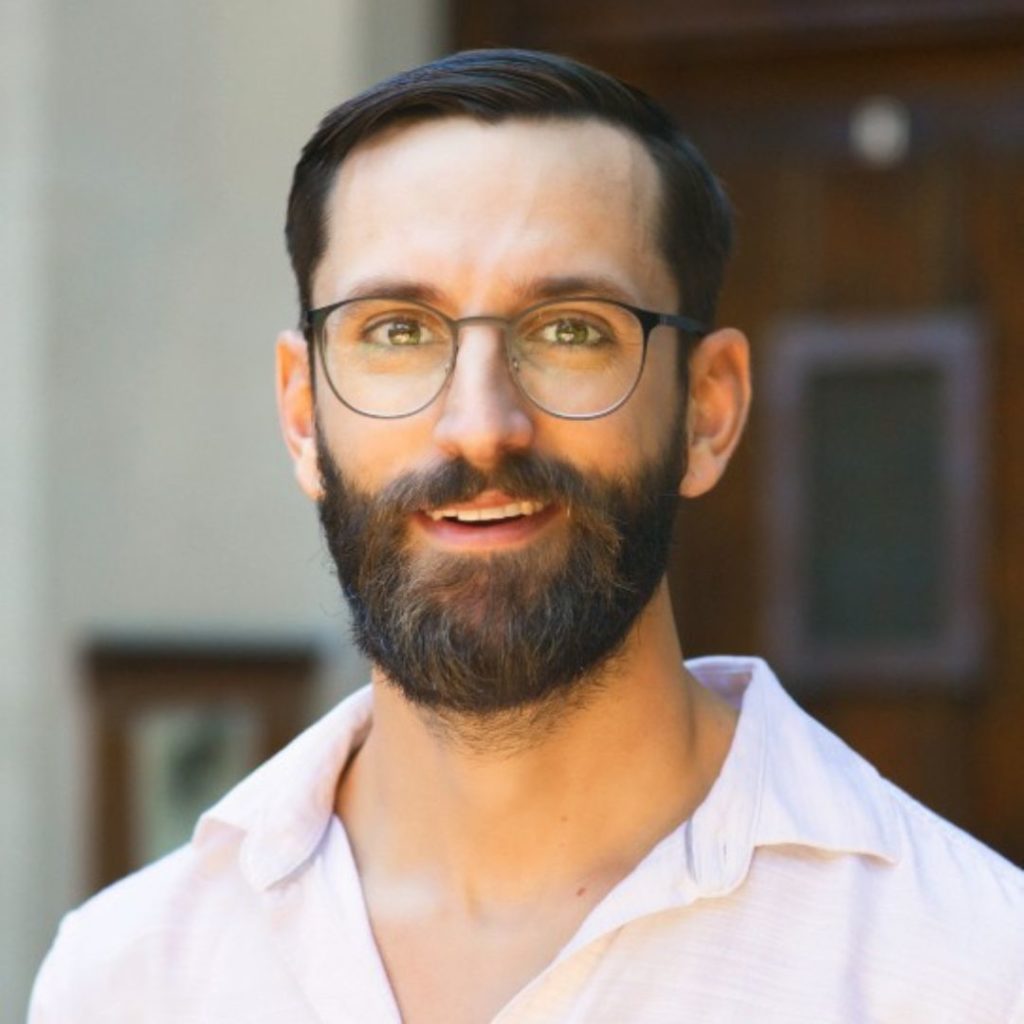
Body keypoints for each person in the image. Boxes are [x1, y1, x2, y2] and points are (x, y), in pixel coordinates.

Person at [30, 48, 1024, 1024]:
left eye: (570, 329)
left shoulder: (967, 972)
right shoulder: (130, 976)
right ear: (302, 416)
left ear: (707, 411)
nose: (478, 424)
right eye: (395, 330)